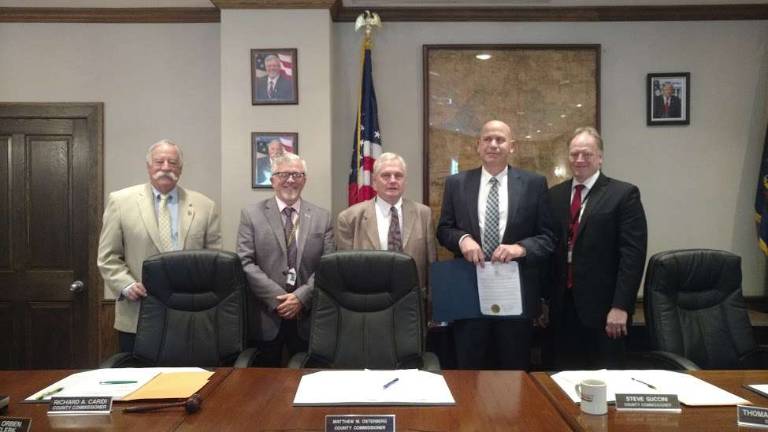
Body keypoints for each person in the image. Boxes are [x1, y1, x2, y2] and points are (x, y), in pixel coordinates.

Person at [436, 120, 555, 370]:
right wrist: (462, 239)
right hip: (468, 293)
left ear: (512, 146)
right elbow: (443, 229)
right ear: (477, 145)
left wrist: (520, 248)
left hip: (515, 295)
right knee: (469, 372)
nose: (493, 144)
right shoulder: (456, 184)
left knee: (513, 373)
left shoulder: (534, 184)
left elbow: (548, 238)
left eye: (500, 140)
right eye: (487, 139)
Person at [97, 139, 222, 353]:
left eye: (172, 163)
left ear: (180, 169)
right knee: (140, 381)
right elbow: (108, 257)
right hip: (139, 312)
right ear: (148, 166)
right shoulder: (120, 202)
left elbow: (214, 259)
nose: (166, 167)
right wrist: (126, 285)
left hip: (190, 315)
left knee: (190, 381)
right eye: (159, 161)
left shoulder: (205, 206)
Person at [546, 126, 647, 369]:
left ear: (600, 158)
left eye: (587, 154)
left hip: (605, 312)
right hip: (561, 310)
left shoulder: (623, 194)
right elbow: (549, 250)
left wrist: (621, 306)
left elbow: (632, 256)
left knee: (605, 384)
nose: (579, 160)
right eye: (574, 154)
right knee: (562, 382)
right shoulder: (554, 196)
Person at [237, 153, 334, 366]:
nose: (290, 180)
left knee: (306, 381)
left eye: (297, 174)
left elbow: (328, 265)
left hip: (308, 315)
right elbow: (245, 262)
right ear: (272, 180)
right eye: (283, 174)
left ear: (304, 180)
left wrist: (300, 298)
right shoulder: (251, 215)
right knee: (264, 388)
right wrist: (279, 299)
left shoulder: (322, 217)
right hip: (266, 315)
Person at [336, 152, 436, 296]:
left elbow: (431, 266)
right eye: (386, 176)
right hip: (367, 304)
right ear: (374, 182)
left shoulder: (423, 214)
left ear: (405, 182)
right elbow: (344, 270)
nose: (393, 180)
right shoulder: (349, 218)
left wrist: (432, 312)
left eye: (398, 176)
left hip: (412, 303)